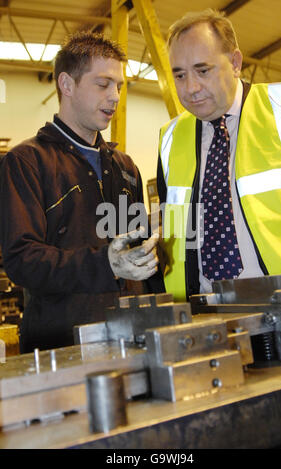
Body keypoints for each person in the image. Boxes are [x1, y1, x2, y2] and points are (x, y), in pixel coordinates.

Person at [0, 31, 164, 353]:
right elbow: (22, 260)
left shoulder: (125, 168)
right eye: (103, 85)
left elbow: (137, 246)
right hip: (61, 346)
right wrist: (107, 264)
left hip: (131, 338)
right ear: (67, 85)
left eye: (119, 86)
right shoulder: (26, 162)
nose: (115, 96)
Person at [157, 9, 281, 301]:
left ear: (235, 62)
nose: (191, 88)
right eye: (180, 75)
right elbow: (172, 230)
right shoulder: (170, 138)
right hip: (204, 315)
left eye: (203, 70)